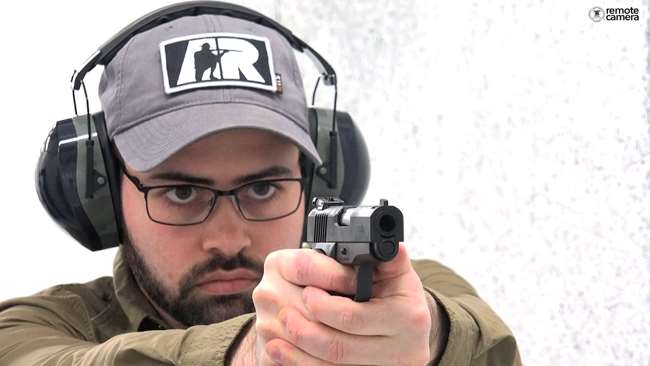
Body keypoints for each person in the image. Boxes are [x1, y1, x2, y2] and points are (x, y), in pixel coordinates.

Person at [0, 3, 522, 365]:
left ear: (316, 181)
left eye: (263, 189)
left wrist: (426, 336)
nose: (228, 240)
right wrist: (254, 351)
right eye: (181, 193)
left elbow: (487, 342)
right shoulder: (37, 327)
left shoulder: (400, 292)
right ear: (101, 193)